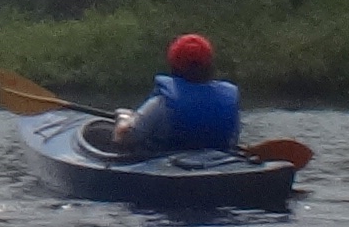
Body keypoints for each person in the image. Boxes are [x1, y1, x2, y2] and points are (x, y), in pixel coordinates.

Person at [97, 33, 243, 160]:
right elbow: (233, 140)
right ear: (209, 65)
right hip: (218, 168)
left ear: (174, 65)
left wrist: (123, 119)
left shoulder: (161, 103)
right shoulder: (230, 101)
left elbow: (123, 139)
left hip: (166, 176)